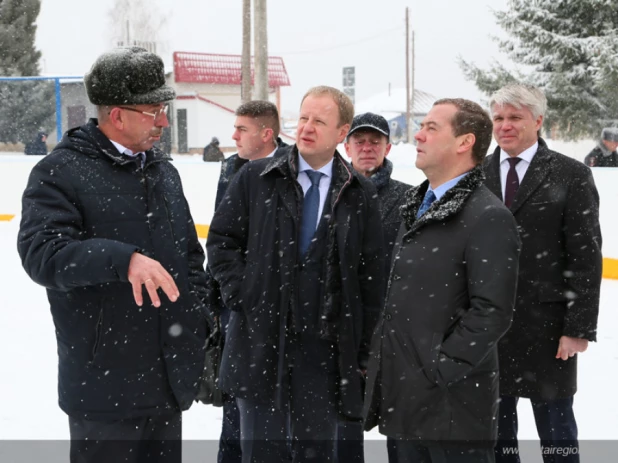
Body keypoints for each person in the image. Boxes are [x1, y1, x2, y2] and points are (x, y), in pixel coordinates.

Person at [17, 47, 210, 463]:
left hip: (166, 382)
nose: (163, 121)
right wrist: (123, 260)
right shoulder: (60, 172)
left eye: (164, 109)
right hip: (104, 390)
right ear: (117, 115)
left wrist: (198, 320)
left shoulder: (163, 172)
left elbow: (190, 258)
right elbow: (42, 254)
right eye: (153, 111)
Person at [207, 86, 386, 463]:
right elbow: (222, 242)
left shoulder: (359, 192)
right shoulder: (255, 178)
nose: (306, 127)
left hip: (325, 355)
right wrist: (246, 296)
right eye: (303, 117)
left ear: (341, 133)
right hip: (260, 344)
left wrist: (364, 349)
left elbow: (372, 277)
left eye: (319, 121)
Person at [364, 98, 521, 463]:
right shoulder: (418, 205)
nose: (418, 135)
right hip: (406, 400)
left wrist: (438, 369)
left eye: (431, 128)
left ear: (464, 142)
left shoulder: (488, 216)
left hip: (452, 410)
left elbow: (492, 312)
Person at [484, 83, 602, 463]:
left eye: (515, 117)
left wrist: (577, 328)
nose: (505, 126)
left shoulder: (571, 174)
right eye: (499, 118)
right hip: (488, 328)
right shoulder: (476, 174)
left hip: (548, 330)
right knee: (495, 435)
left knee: (557, 435)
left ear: (537, 120)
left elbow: (585, 257)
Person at [210, 100, 287, 463]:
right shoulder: (230, 168)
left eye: (242, 129)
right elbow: (221, 237)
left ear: (266, 133)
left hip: (279, 315)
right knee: (233, 411)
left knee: (272, 416)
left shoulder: (292, 166)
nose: (234, 135)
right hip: (235, 309)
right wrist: (230, 295)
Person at [338, 112, 410, 462]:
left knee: (398, 423)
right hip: (343, 325)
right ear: (346, 145)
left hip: (393, 329)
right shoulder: (331, 193)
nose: (367, 148)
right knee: (344, 420)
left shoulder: (409, 198)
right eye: (360, 141)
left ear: (388, 147)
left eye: (375, 141)